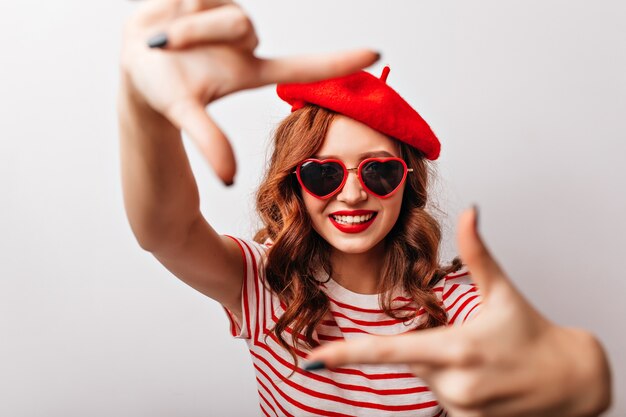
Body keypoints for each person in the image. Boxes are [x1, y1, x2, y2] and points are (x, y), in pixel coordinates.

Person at [118, 1, 612, 416]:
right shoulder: (263, 283)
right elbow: (168, 231)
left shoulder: (451, 302)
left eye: (377, 171)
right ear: (296, 183)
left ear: (406, 181)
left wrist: (579, 367)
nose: (352, 194)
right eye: (323, 173)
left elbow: (512, 349)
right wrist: (143, 107)